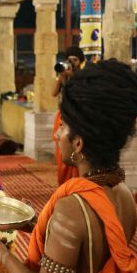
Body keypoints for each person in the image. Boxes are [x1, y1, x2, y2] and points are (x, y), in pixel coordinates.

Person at [0, 59, 137, 273]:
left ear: (78, 144)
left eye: (63, 126)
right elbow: (88, 246)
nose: (57, 134)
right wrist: (37, 223)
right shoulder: (125, 195)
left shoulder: (72, 210)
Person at [51, 46, 85, 184]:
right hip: (62, 117)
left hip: (76, 117)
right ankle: (64, 185)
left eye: (74, 60)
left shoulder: (83, 77)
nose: (72, 63)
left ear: (80, 61)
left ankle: (76, 184)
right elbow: (53, 93)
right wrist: (61, 77)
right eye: (69, 60)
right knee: (61, 154)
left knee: (76, 151)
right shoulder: (64, 75)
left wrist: (73, 78)